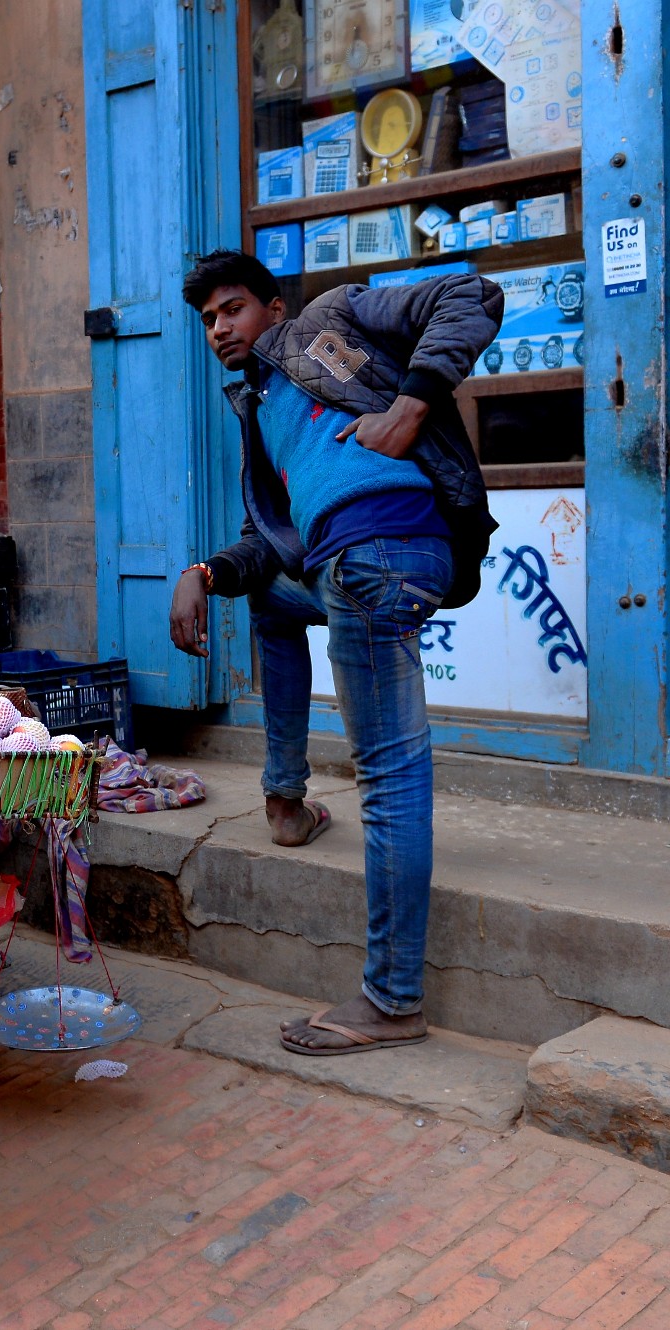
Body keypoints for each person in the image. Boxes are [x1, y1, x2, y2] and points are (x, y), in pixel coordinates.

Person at [168, 250, 499, 1058]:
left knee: (388, 779)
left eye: (233, 309)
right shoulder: (259, 411)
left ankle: (391, 999)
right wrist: (205, 573)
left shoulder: (327, 320)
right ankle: (285, 803)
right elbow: (273, 547)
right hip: (348, 563)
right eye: (208, 319)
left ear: (273, 309)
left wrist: (410, 410)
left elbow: (470, 293)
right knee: (273, 607)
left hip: (384, 544)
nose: (219, 329)